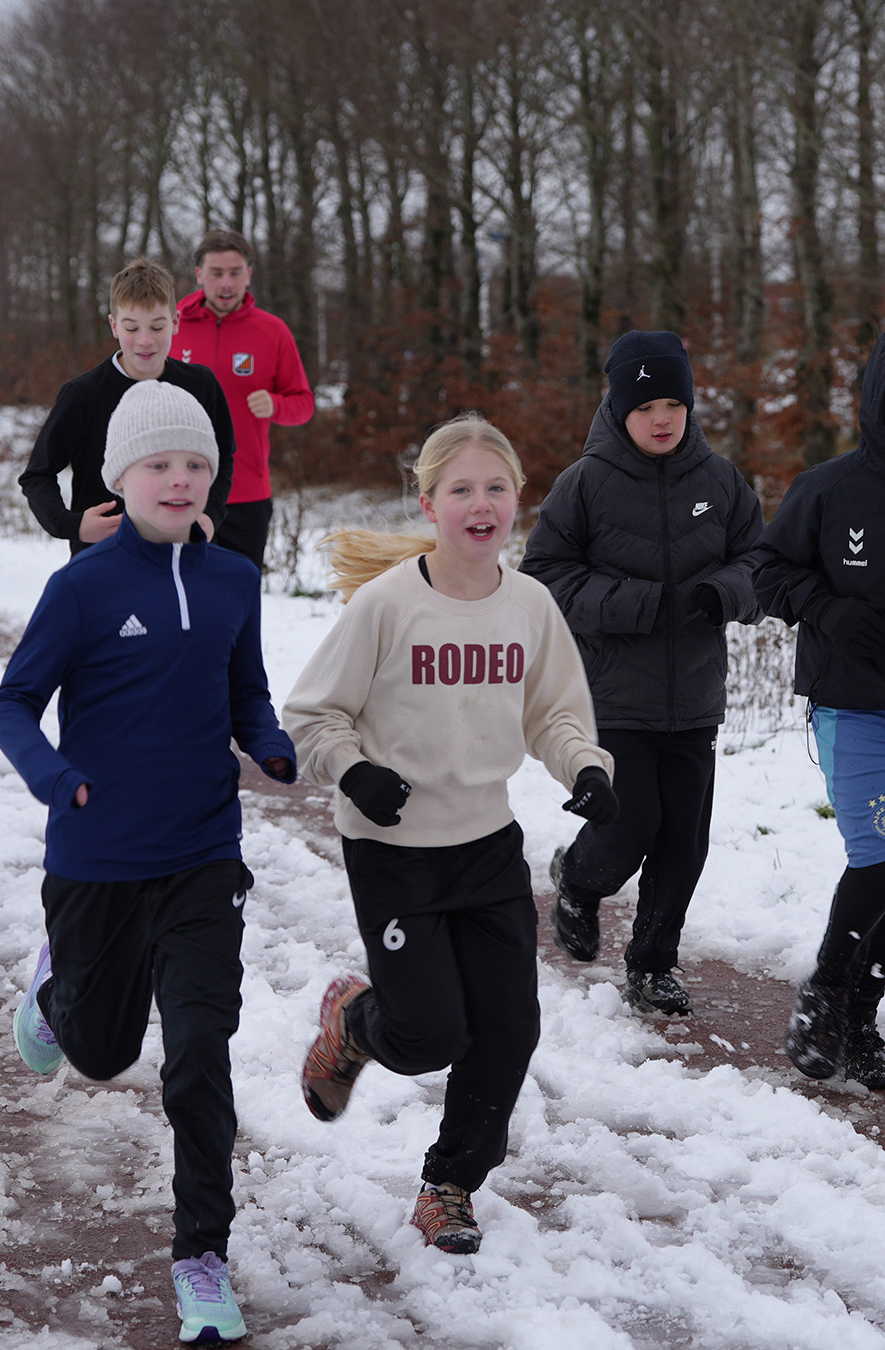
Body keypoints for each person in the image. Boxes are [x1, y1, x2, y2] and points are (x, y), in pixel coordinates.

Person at [0, 379, 295, 1342]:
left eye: (196, 463)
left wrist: (268, 741)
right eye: (159, 463)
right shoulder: (82, 587)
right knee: (104, 1051)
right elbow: (11, 703)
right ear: (120, 476)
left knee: (200, 1052)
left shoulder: (232, 579)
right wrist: (54, 777)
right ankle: (57, 996)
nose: (179, 478)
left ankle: (203, 1257)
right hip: (98, 859)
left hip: (203, 853)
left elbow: (246, 691)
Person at [282, 413, 616, 1254]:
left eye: (496, 488)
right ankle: (355, 1022)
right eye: (461, 489)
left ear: (518, 499)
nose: (481, 503)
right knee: (428, 1035)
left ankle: (448, 1187)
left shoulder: (529, 606)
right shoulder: (387, 606)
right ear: (429, 504)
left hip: (487, 846)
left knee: (508, 1029)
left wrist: (584, 768)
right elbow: (313, 715)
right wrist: (354, 770)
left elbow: (555, 713)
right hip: (392, 852)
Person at [520, 331, 763, 1017]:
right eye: (647, 406)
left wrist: (726, 593)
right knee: (631, 827)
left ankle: (653, 965)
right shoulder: (585, 483)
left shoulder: (720, 481)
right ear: (620, 408)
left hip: (695, 695)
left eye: (674, 405)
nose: (662, 419)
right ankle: (578, 878)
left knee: (684, 842)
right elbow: (544, 577)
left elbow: (761, 563)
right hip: (611, 695)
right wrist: (638, 604)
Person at [752, 330, 885, 1090]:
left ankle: (859, 1018)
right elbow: (766, 570)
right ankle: (828, 992)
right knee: (880, 857)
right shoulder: (829, 489)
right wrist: (828, 609)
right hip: (854, 707)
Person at [19, 257, 235, 555]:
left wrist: (210, 514)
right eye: (132, 328)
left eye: (157, 327)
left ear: (175, 322)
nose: (145, 341)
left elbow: (223, 458)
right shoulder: (82, 394)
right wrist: (72, 525)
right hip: (103, 556)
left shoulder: (201, 384)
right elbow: (37, 475)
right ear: (114, 326)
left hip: (181, 552)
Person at [173, 229, 314, 571]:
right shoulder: (172, 325)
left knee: (240, 597)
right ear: (199, 274)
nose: (226, 283)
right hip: (179, 490)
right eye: (216, 273)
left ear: (248, 275)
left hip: (246, 495)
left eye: (235, 273)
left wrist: (276, 405)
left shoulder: (273, 331)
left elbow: (304, 404)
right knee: (178, 596)